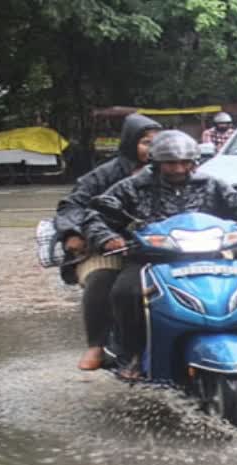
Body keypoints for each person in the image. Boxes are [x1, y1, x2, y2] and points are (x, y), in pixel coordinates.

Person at [81, 130, 237, 377]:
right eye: (171, 163)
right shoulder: (132, 186)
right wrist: (109, 238)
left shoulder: (212, 184)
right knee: (125, 292)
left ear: (194, 162)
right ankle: (133, 354)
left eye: (184, 162)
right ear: (156, 163)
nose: (178, 168)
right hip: (151, 259)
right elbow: (95, 216)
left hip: (208, 254)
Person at [54, 113, 162, 370]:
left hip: (162, 244)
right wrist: (72, 233)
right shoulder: (105, 175)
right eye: (146, 142)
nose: (152, 149)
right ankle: (97, 346)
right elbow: (72, 206)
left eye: (158, 143)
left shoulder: (172, 170)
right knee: (102, 280)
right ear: (129, 142)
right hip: (109, 244)